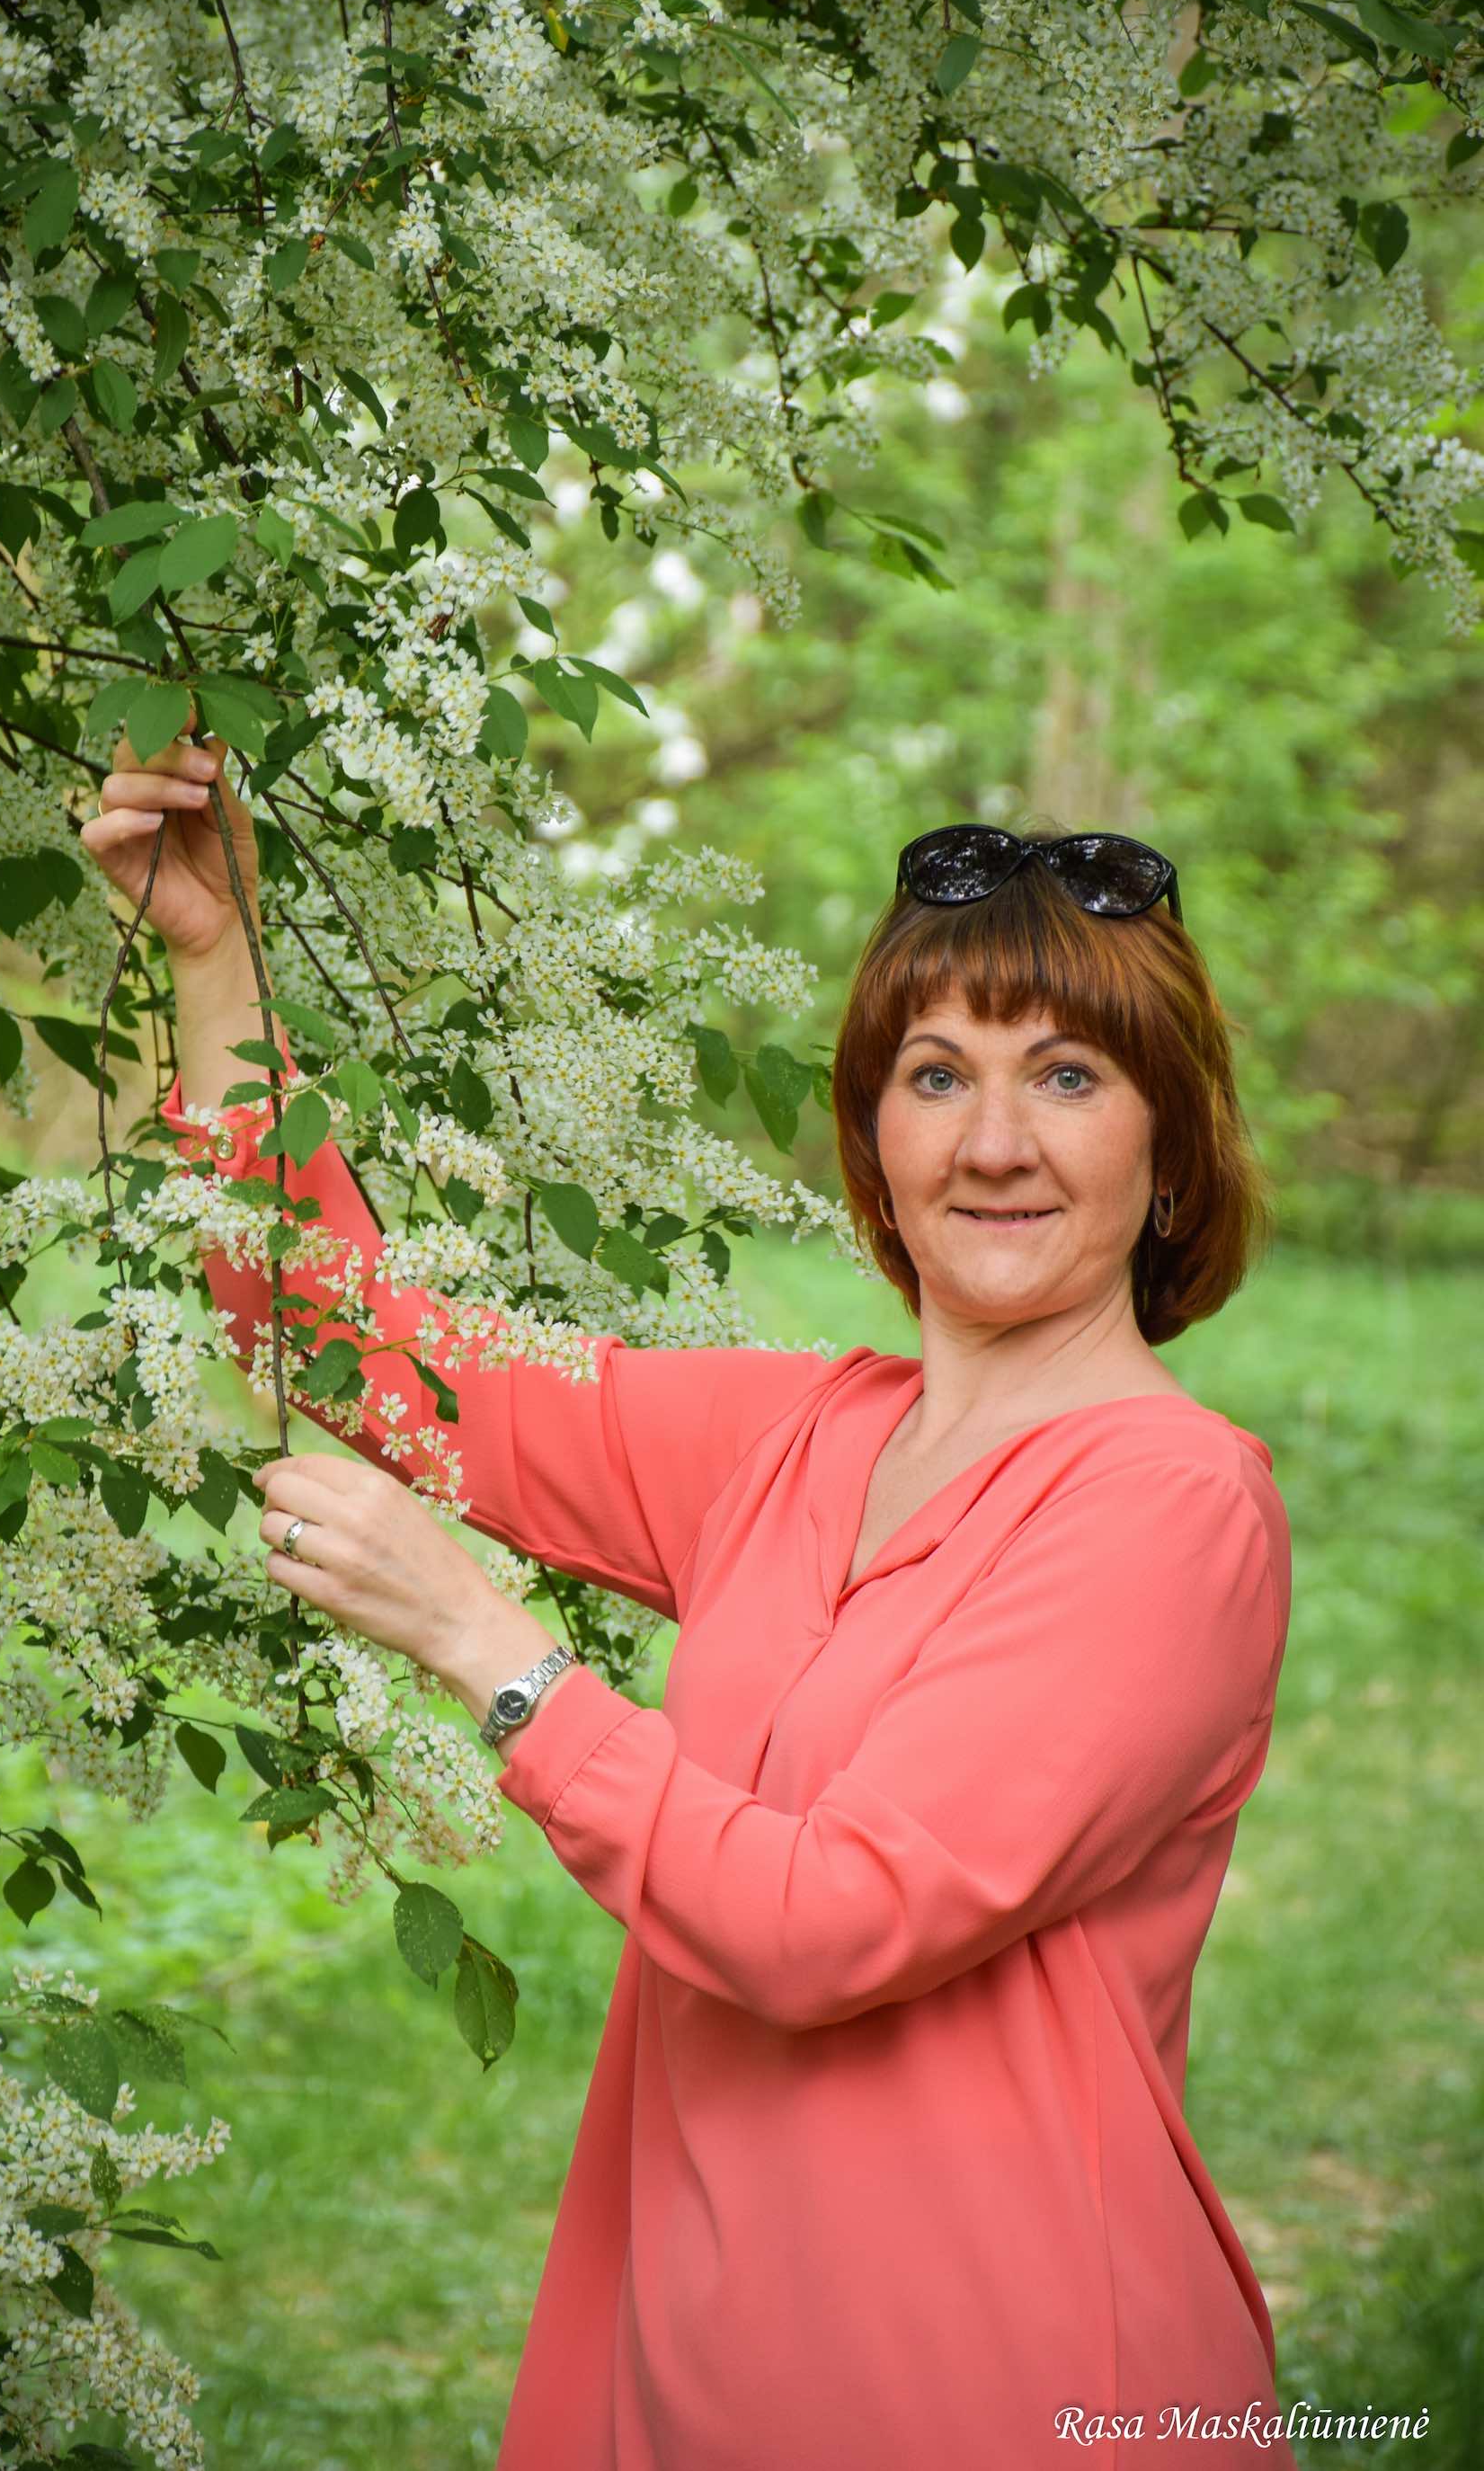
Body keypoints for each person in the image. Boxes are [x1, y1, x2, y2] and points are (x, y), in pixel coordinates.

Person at [84, 739, 1298, 2470]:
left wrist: (496, 1653)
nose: (999, 1140)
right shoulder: (796, 1433)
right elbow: (357, 1346)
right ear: (874, 1140)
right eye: (938, 1075)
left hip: (1011, 2389)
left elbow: (830, 1920)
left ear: (1168, 1145)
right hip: (692, 2363)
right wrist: (216, 960)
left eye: (1074, 1076)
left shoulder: (1173, 1509)